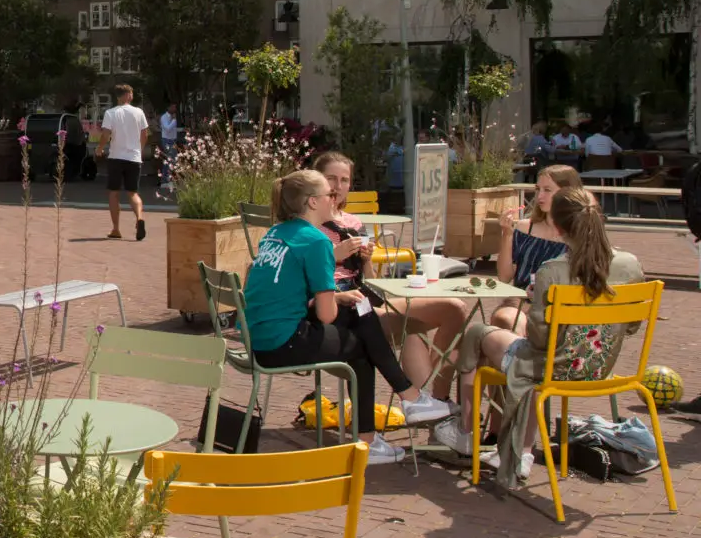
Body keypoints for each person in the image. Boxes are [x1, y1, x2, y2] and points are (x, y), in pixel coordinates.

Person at [243, 170, 449, 465]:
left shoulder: (275, 233)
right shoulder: (316, 242)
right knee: (362, 341)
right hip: (281, 342)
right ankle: (394, 414)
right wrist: (336, 302)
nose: (335, 198)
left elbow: (285, 293)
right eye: (329, 193)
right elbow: (327, 316)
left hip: (258, 338)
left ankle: (404, 403)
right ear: (313, 202)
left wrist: (338, 298)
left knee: (359, 310)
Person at [447, 186, 643, 485]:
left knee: (478, 334)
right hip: (599, 367)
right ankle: (517, 447)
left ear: (560, 226)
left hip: (550, 368)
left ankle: (467, 432)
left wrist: (535, 297)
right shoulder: (629, 264)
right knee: (512, 347)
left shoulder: (554, 270)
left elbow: (538, 341)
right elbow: (631, 325)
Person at [313, 151, 467, 403]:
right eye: (331, 178)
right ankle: (433, 407)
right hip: (339, 305)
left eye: (344, 180)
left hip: (366, 298)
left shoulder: (352, 222)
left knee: (454, 308)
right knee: (413, 330)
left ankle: (435, 398)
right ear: (317, 179)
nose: (337, 186)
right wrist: (336, 255)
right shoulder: (308, 223)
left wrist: (366, 260)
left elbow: (369, 280)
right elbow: (307, 274)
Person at [490, 165, 579, 337]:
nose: (540, 196)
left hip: (559, 305)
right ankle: (515, 359)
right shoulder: (525, 228)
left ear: (568, 193)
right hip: (521, 300)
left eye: (548, 190)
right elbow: (504, 276)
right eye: (538, 189)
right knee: (507, 320)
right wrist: (507, 234)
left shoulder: (578, 235)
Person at [100, 85, 149, 241]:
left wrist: (100, 148)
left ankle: (116, 229)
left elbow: (106, 134)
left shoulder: (111, 113)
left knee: (114, 193)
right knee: (133, 193)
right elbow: (144, 134)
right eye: (132, 93)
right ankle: (139, 218)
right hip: (134, 158)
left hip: (116, 157)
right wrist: (139, 150)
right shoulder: (139, 112)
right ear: (128, 95)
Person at [157, 102, 180, 195]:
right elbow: (167, 128)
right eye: (173, 107)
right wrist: (174, 120)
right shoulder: (164, 117)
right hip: (167, 140)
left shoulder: (172, 117)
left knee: (171, 160)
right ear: (168, 107)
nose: (175, 109)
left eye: (175, 107)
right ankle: (165, 181)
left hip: (172, 140)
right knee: (169, 160)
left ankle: (168, 180)